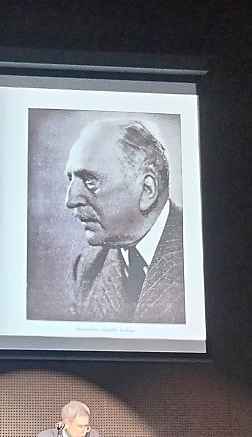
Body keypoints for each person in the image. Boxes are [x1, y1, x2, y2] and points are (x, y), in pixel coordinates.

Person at [64, 117, 185, 324]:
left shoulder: (198, 254)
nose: (70, 200)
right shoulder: (87, 268)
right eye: (71, 179)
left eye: (90, 181)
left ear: (147, 190)